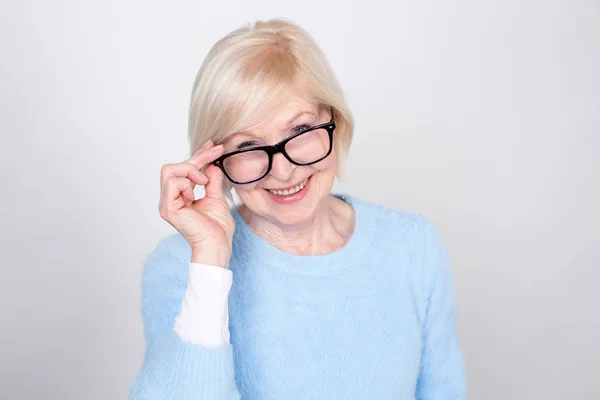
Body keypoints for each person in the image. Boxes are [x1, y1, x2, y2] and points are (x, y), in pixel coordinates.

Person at [129, 18, 465, 400]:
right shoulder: (181, 267)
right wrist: (210, 262)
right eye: (247, 147)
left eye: (300, 132)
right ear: (214, 162)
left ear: (334, 121)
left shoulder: (413, 246)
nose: (284, 170)